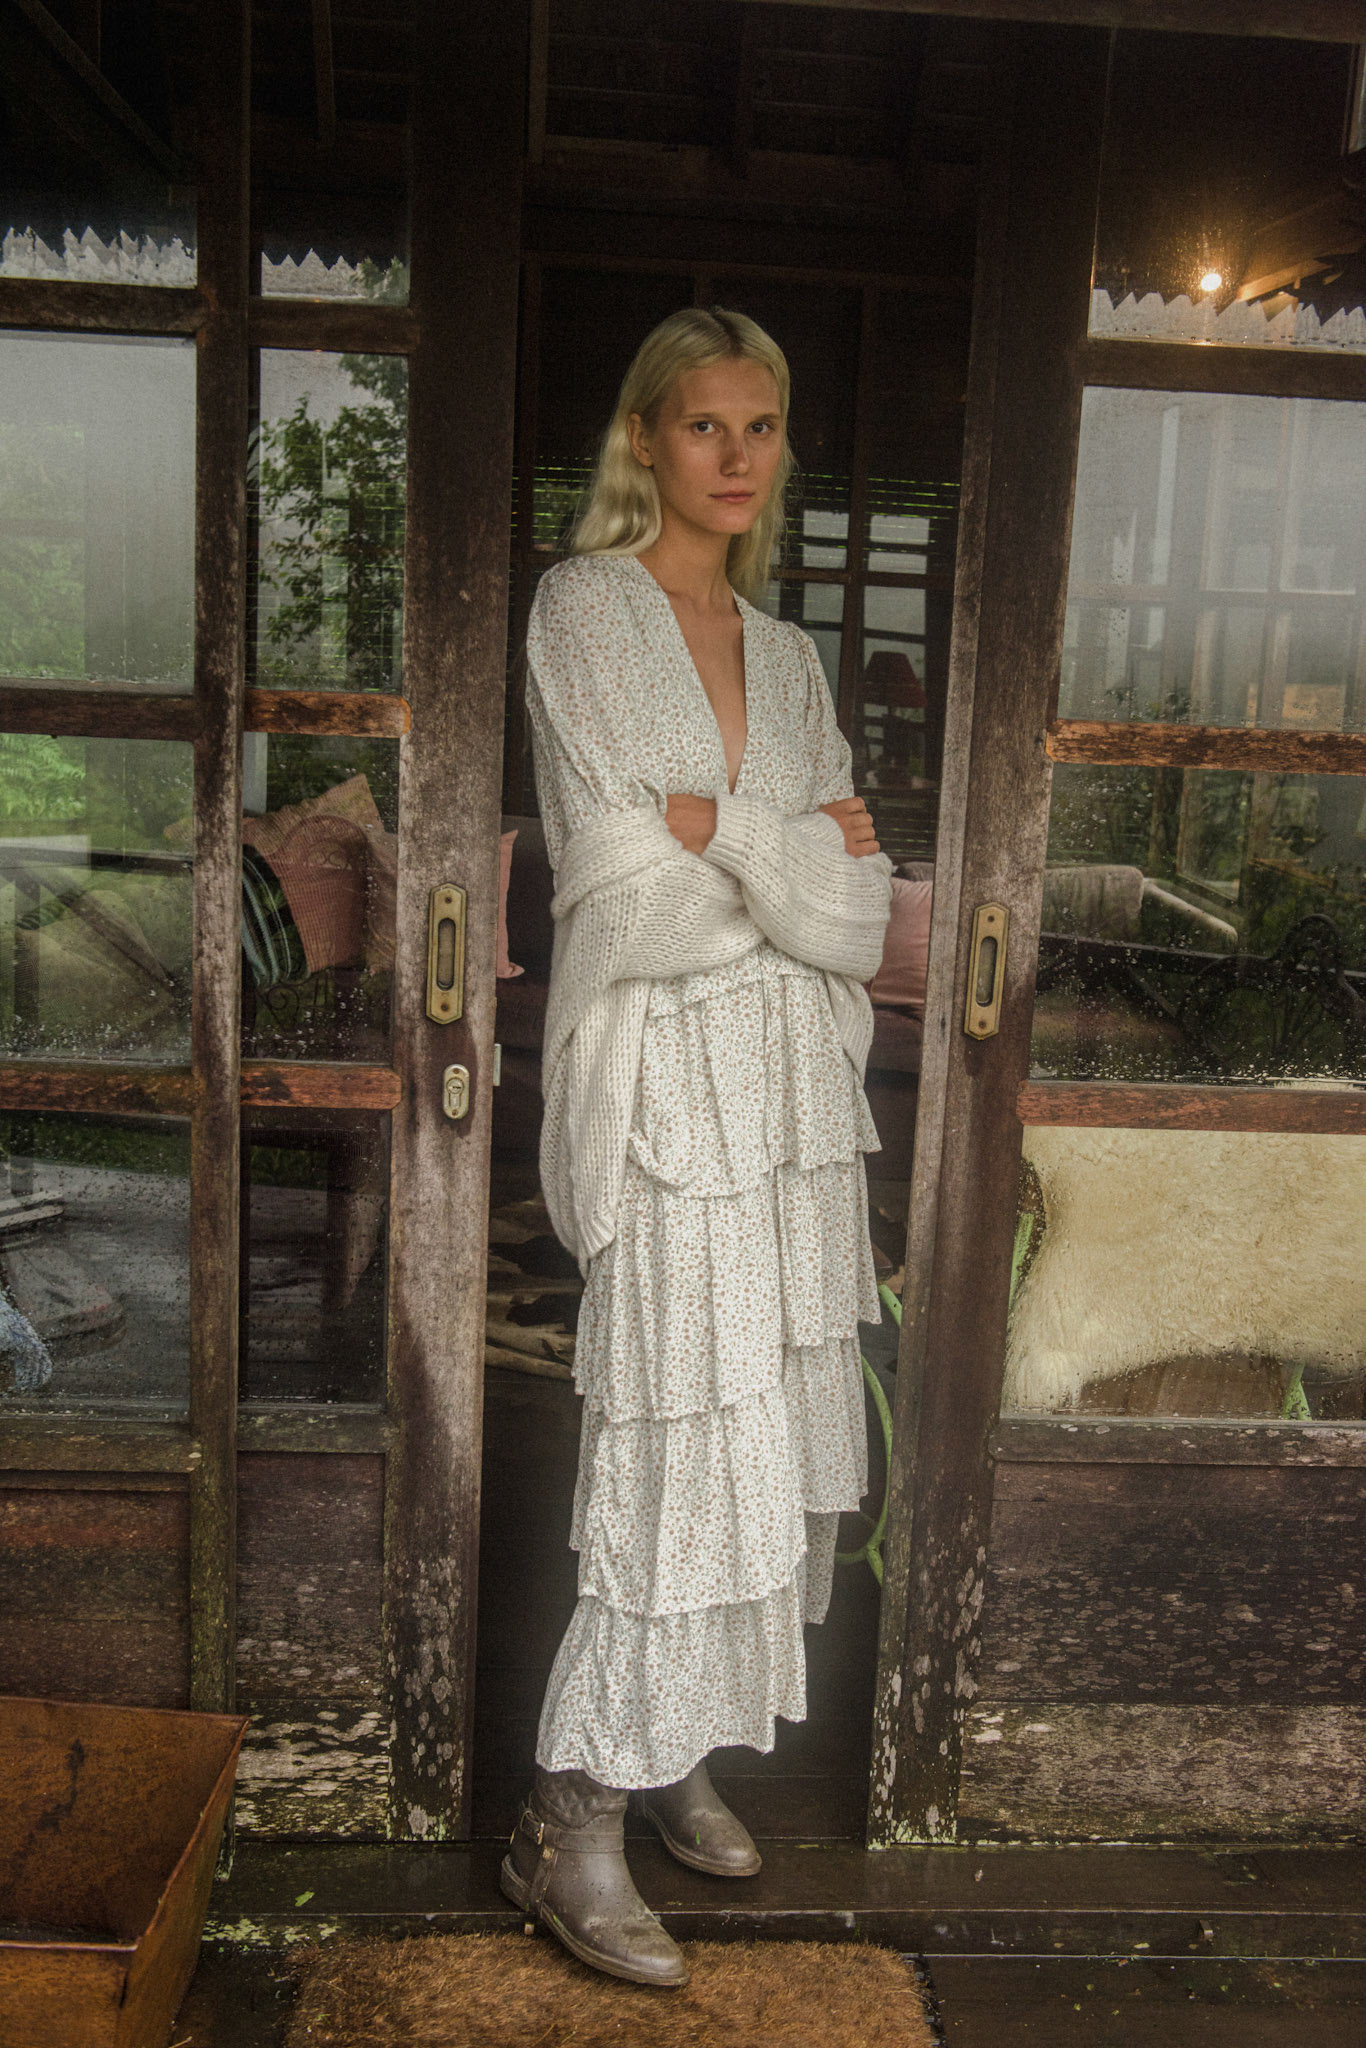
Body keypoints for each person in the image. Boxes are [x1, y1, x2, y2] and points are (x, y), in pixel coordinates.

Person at [501, 307, 892, 1988]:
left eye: (760, 426)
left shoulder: (790, 659)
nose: (735, 456)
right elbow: (618, 894)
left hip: (793, 1106)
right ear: (644, 439)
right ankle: (569, 1810)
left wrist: (723, 833)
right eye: (703, 425)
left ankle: (677, 1746)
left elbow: (857, 918)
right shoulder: (583, 609)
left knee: (766, 1432)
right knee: (672, 1435)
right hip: (668, 1095)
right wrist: (782, 857)